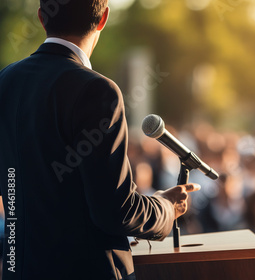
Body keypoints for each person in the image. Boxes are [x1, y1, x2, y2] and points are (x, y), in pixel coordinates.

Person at [0, 1, 200, 279]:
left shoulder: (6, 81)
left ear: (42, 18)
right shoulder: (97, 90)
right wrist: (166, 207)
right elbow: (115, 211)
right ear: (104, 17)